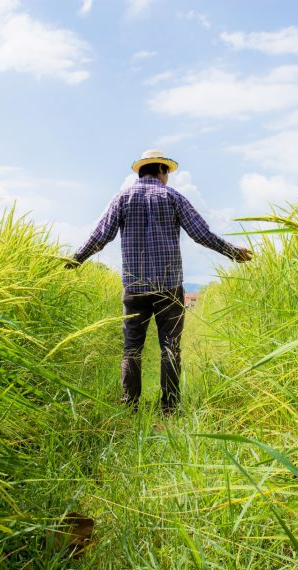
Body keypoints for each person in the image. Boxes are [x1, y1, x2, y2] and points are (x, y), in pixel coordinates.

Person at [65, 149, 252, 415]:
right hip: (169, 287)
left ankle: (129, 407)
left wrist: (76, 259)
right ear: (162, 171)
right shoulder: (173, 197)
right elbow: (201, 234)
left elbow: (99, 236)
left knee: (132, 348)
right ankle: (170, 408)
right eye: (168, 173)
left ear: (142, 171)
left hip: (134, 288)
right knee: (170, 348)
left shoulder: (122, 199)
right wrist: (233, 252)